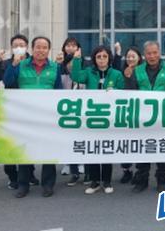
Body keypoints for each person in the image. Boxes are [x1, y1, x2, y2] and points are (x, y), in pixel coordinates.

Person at [4, 36, 62, 198]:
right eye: (38, 47)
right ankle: (23, 184)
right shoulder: (21, 64)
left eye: (44, 47)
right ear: (32, 48)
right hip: (26, 116)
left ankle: (48, 185)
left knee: (48, 150)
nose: (41, 50)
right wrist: (13, 64)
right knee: (25, 150)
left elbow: (59, 90)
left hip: (47, 115)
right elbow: (8, 82)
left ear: (48, 50)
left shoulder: (55, 67)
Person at [124, 41, 165, 192]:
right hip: (142, 118)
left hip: (161, 118)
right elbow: (130, 91)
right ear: (144, 55)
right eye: (149, 53)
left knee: (161, 150)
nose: (152, 56)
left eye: (155, 53)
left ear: (159, 53)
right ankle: (142, 181)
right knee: (143, 149)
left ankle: (161, 181)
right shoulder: (137, 71)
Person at [71, 45, 124, 195]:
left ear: (109, 58)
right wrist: (77, 59)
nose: (101, 59)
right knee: (93, 149)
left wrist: (115, 92)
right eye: (98, 57)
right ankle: (94, 181)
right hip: (92, 116)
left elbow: (122, 92)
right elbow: (76, 77)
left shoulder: (116, 74)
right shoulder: (89, 72)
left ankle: (106, 181)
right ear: (94, 59)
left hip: (109, 117)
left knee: (106, 149)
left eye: (104, 56)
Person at [0, 34, 39, 189]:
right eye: (16, 45)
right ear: (11, 48)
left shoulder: (33, 62)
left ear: (27, 46)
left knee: (28, 142)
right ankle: (12, 176)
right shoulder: (6, 63)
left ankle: (29, 173)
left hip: (29, 108)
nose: (19, 47)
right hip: (10, 107)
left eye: (22, 45)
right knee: (10, 142)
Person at [56, 37, 85, 186]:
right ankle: (68, 163)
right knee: (66, 137)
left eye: (74, 45)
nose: (70, 47)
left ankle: (81, 163)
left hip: (81, 107)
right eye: (68, 45)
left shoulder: (84, 67)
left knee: (80, 136)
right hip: (65, 108)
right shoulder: (59, 67)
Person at [118, 46, 143, 185]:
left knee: (139, 142)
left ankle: (139, 172)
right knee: (125, 142)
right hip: (125, 112)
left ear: (139, 58)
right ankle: (126, 170)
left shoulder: (143, 71)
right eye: (128, 56)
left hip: (141, 112)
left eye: (133, 56)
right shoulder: (122, 72)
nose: (130, 58)